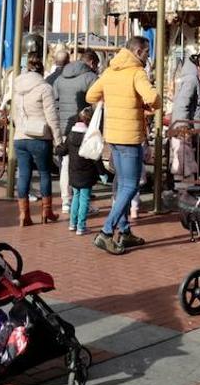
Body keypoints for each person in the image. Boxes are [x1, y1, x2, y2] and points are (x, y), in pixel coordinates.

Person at [86, 36, 159, 255]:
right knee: (130, 185)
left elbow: (91, 95)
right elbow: (153, 98)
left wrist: (112, 99)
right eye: (146, 53)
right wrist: (150, 101)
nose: (147, 57)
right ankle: (107, 231)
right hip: (129, 137)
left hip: (114, 136)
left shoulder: (110, 71)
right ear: (138, 52)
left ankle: (125, 231)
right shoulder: (137, 73)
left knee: (123, 183)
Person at [12, 52, 63, 225]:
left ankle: (23, 214)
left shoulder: (17, 88)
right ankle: (46, 211)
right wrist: (58, 139)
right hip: (40, 137)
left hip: (20, 136)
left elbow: (14, 114)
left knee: (24, 174)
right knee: (44, 173)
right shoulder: (45, 88)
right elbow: (52, 117)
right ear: (42, 71)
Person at [53, 49, 99, 215]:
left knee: (66, 164)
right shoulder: (90, 78)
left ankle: (66, 200)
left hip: (66, 126)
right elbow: (98, 103)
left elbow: (55, 101)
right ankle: (83, 203)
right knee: (86, 164)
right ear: (92, 63)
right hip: (84, 125)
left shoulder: (60, 78)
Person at [65, 106, 100, 235]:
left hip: (73, 172)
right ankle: (81, 226)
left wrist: (58, 148)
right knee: (84, 199)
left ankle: (72, 223)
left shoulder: (71, 135)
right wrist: (101, 173)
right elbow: (96, 158)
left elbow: (63, 150)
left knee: (75, 197)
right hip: (86, 173)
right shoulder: (89, 137)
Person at [172, 51, 200, 123]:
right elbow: (182, 103)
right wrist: (183, 125)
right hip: (191, 123)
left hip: (196, 120)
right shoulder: (192, 79)